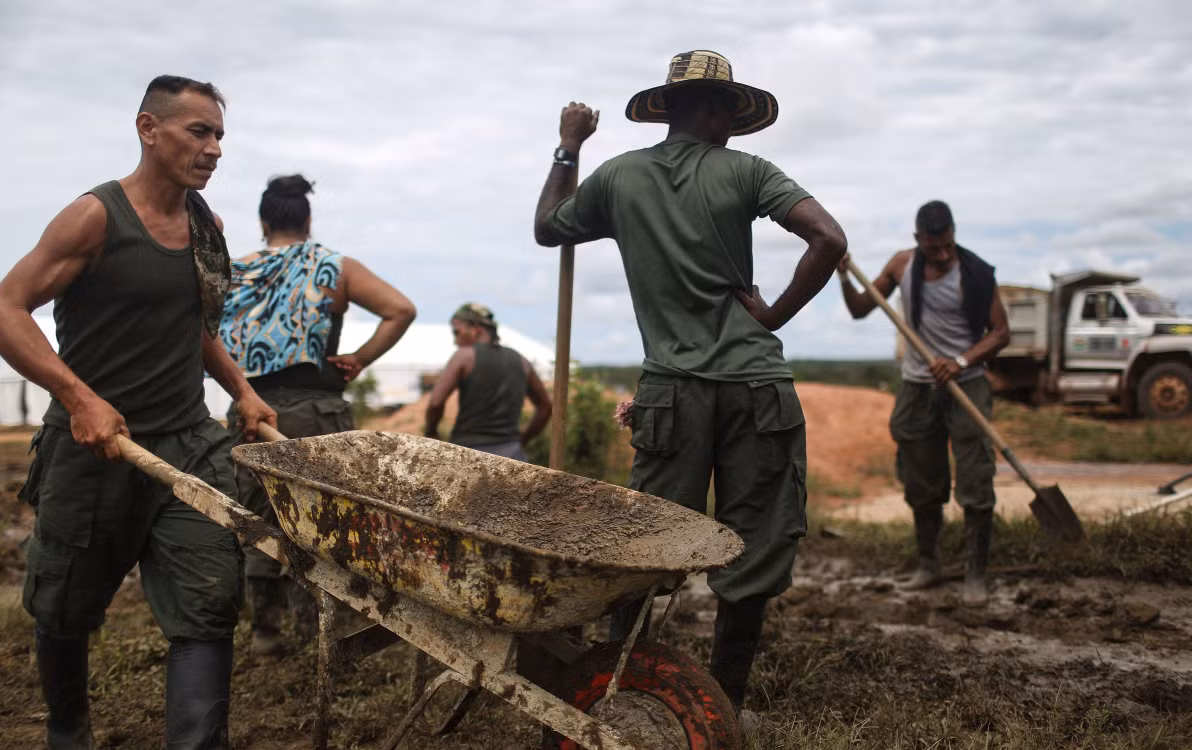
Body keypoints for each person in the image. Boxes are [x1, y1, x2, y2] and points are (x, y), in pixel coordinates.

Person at [533, 50, 847, 716]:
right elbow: (827, 238)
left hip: (671, 389)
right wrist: (773, 314)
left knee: (644, 549)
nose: (733, 122)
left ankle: (626, 697)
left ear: (667, 109)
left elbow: (546, 228)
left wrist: (567, 148)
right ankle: (723, 708)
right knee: (754, 553)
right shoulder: (749, 172)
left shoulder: (618, 177)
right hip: (756, 388)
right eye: (728, 109)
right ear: (710, 110)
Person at [0, 76, 276, 750]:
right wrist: (77, 397)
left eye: (218, 135)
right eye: (196, 132)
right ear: (149, 128)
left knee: (209, 592)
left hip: (186, 443)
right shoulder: (95, 218)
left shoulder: (204, 223)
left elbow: (194, 327)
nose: (212, 148)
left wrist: (242, 390)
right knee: (65, 603)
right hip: (96, 447)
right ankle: (67, 732)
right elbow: (6, 308)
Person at [219, 174, 417, 656]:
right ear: (307, 220)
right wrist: (359, 359)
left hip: (249, 406)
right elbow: (400, 309)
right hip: (315, 408)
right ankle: (317, 631)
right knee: (318, 522)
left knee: (257, 517)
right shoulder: (332, 266)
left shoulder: (234, 271)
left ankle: (265, 631)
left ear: (264, 221)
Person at [837, 200, 1010, 606]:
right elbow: (861, 309)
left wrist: (961, 361)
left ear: (954, 235)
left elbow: (1001, 333)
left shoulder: (977, 273)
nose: (944, 254)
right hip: (917, 389)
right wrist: (843, 276)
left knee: (975, 477)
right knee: (921, 480)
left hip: (967, 385)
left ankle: (976, 575)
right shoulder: (901, 265)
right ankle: (929, 566)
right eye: (935, 248)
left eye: (949, 245)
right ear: (919, 240)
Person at [424, 303, 552, 460]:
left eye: (457, 332)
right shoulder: (521, 361)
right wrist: (523, 439)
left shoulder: (464, 357)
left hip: (468, 454)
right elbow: (546, 407)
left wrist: (431, 432)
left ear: (476, 328)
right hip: (512, 455)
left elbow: (436, 403)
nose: (456, 341)